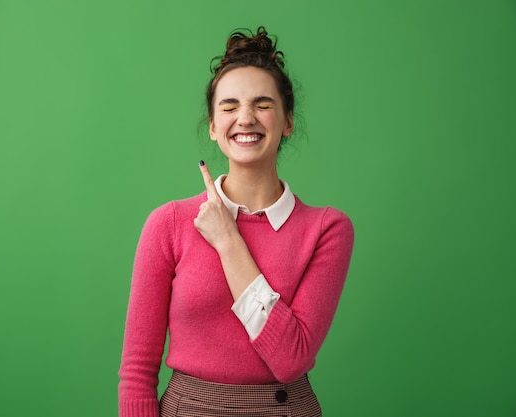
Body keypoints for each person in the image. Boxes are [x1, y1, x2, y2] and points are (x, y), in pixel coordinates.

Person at [118, 26, 354, 417]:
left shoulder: (327, 229)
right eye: (229, 107)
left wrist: (228, 241)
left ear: (288, 121)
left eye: (262, 104)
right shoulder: (168, 224)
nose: (245, 118)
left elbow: (291, 359)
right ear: (213, 127)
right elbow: (138, 371)